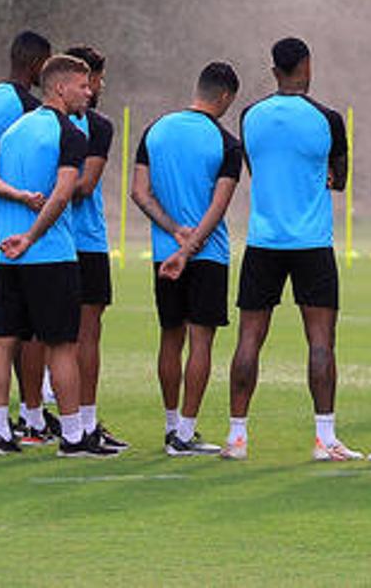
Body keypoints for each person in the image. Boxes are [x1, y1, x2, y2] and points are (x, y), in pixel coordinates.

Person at [225, 37, 354, 461]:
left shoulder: (250, 116)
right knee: (320, 341)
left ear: (273, 69)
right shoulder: (328, 118)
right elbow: (341, 177)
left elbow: (254, 170)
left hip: (264, 239)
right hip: (311, 241)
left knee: (249, 338)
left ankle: (237, 438)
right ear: (307, 65)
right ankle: (324, 438)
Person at [0, 54, 114, 456]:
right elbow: (62, 195)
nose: (89, 92)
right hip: (51, 255)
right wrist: (31, 234)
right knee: (61, 346)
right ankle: (74, 437)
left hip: (9, 257)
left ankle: (0, 433)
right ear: (60, 87)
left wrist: (16, 196)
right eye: (82, 85)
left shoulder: (14, 129)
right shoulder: (71, 135)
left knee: (4, 342)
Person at [131, 62, 245, 456]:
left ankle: (170, 426)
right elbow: (218, 206)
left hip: (165, 252)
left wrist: (174, 232)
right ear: (226, 97)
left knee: (170, 336)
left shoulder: (155, 130)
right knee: (201, 341)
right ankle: (185, 432)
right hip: (207, 254)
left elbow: (139, 192)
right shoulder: (227, 142)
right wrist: (192, 245)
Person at [0, 30, 54, 441]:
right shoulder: (29, 108)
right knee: (27, 326)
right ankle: (29, 412)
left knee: (2, 317)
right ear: (40, 64)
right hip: (23, 224)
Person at [64, 45, 124, 452]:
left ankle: (44, 418)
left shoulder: (39, 123)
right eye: (91, 82)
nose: (95, 89)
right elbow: (84, 186)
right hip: (82, 240)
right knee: (86, 334)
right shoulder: (96, 126)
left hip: (49, 239)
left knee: (51, 336)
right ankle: (82, 424)